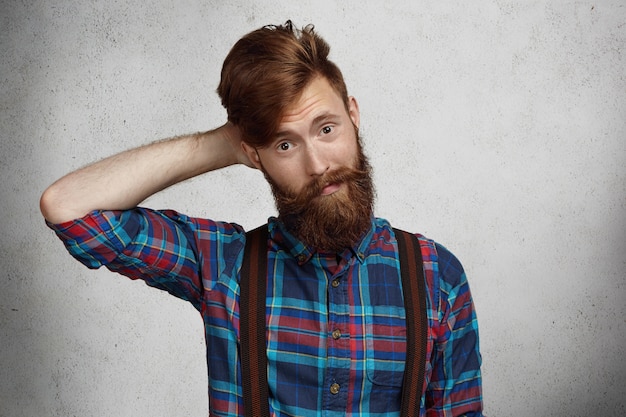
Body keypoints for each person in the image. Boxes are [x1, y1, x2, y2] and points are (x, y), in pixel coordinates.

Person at [40, 21, 483, 416]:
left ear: (353, 115)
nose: (318, 164)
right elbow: (68, 207)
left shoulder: (436, 275)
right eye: (284, 145)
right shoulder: (223, 265)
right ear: (255, 155)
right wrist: (225, 144)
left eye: (326, 129)